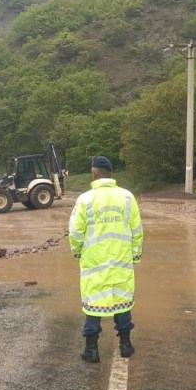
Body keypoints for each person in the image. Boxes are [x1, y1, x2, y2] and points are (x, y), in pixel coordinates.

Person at [68, 156, 144, 363]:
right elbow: (137, 230)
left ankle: (91, 350)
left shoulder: (85, 199)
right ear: (111, 174)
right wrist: (135, 254)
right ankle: (126, 346)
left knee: (94, 303)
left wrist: (76, 252)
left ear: (94, 173)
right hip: (121, 261)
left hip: (95, 263)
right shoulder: (128, 197)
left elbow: (75, 232)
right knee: (122, 303)